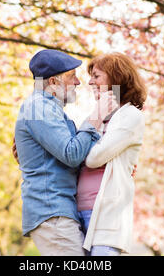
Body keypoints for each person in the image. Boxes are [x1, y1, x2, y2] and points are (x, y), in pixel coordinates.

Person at [13, 49, 118, 256]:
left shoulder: (49, 109)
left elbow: (73, 156)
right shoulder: (39, 107)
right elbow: (72, 154)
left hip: (58, 212)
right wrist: (96, 116)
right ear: (53, 82)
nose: (78, 82)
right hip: (53, 213)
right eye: (72, 77)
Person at [76, 52, 147, 256]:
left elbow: (92, 158)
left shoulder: (130, 116)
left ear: (116, 77)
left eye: (96, 76)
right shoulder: (100, 116)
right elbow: (75, 151)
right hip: (80, 213)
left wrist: (90, 127)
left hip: (106, 217)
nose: (90, 82)